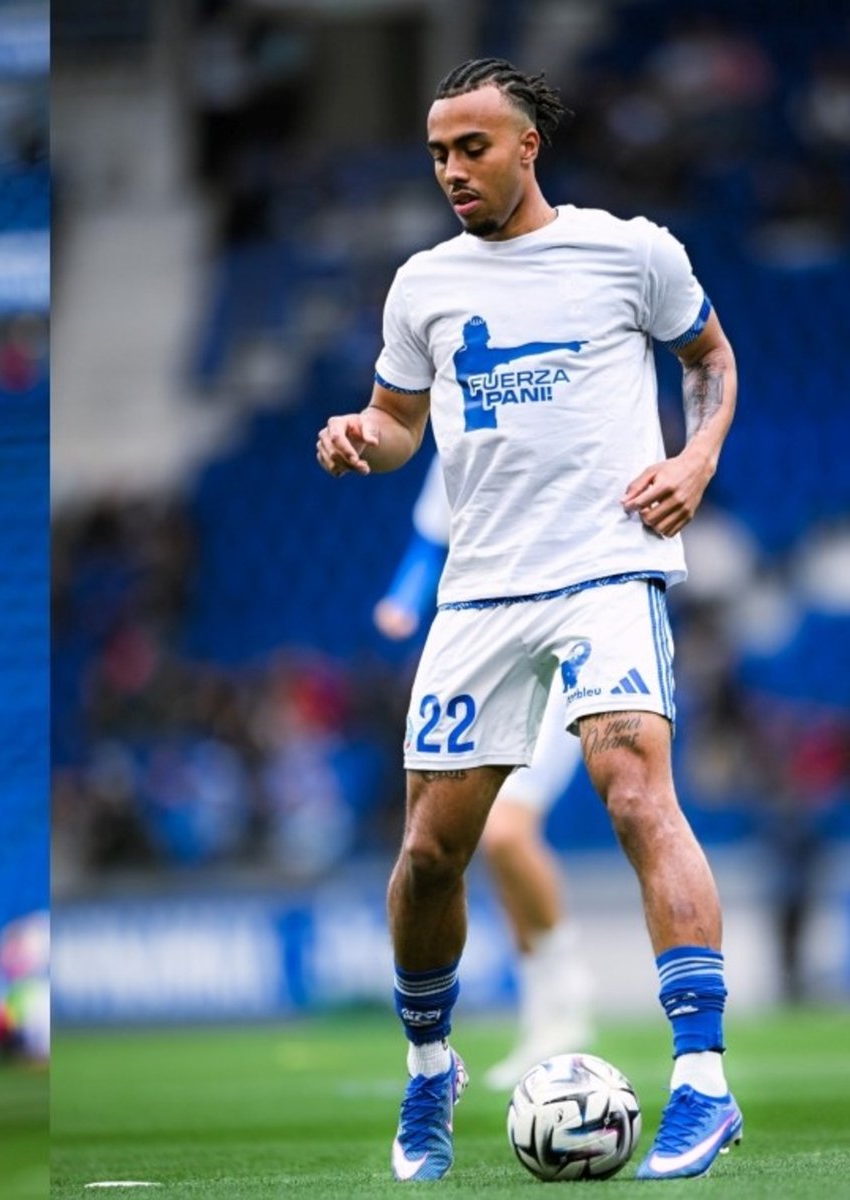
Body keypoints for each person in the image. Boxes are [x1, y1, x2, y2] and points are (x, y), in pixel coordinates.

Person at [316, 58, 739, 1182]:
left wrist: (694, 459)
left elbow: (708, 358)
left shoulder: (629, 250)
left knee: (636, 789)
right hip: (480, 589)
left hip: (607, 566)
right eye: (439, 153)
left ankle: (701, 1078)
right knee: (428, 853)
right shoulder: (422, 285)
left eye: (472, 147)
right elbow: (400, 423)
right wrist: (363, 437)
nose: (453, 170)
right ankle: (430, 1071)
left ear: (526, 146)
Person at [375, 453, 592, 1091]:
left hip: (565, 644)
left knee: (504, 832)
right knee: (481, 841)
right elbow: (431, 533)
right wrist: (402, 599)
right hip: (490, 647)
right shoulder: (463, 426)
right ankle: (546, 1013)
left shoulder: (563, 397)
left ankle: (567, 993)